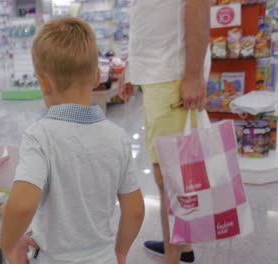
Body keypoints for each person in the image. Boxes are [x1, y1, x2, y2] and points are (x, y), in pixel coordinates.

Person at [0, 17, 145, 264]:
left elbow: (22, 205)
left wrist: (9, 246)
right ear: (97, 76)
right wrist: (119, 252)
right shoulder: (117, 138)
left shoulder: (40, 137)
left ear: (43, 82)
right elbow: (135, 211)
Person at [119, 0, 211, 263]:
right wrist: (132, 68)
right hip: (158, 74)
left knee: (171, 177)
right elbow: (148, 19)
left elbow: (198, 6)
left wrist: (193, 74)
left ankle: (172, 258)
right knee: (173, 173)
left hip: (172, 73)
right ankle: (183, 246)